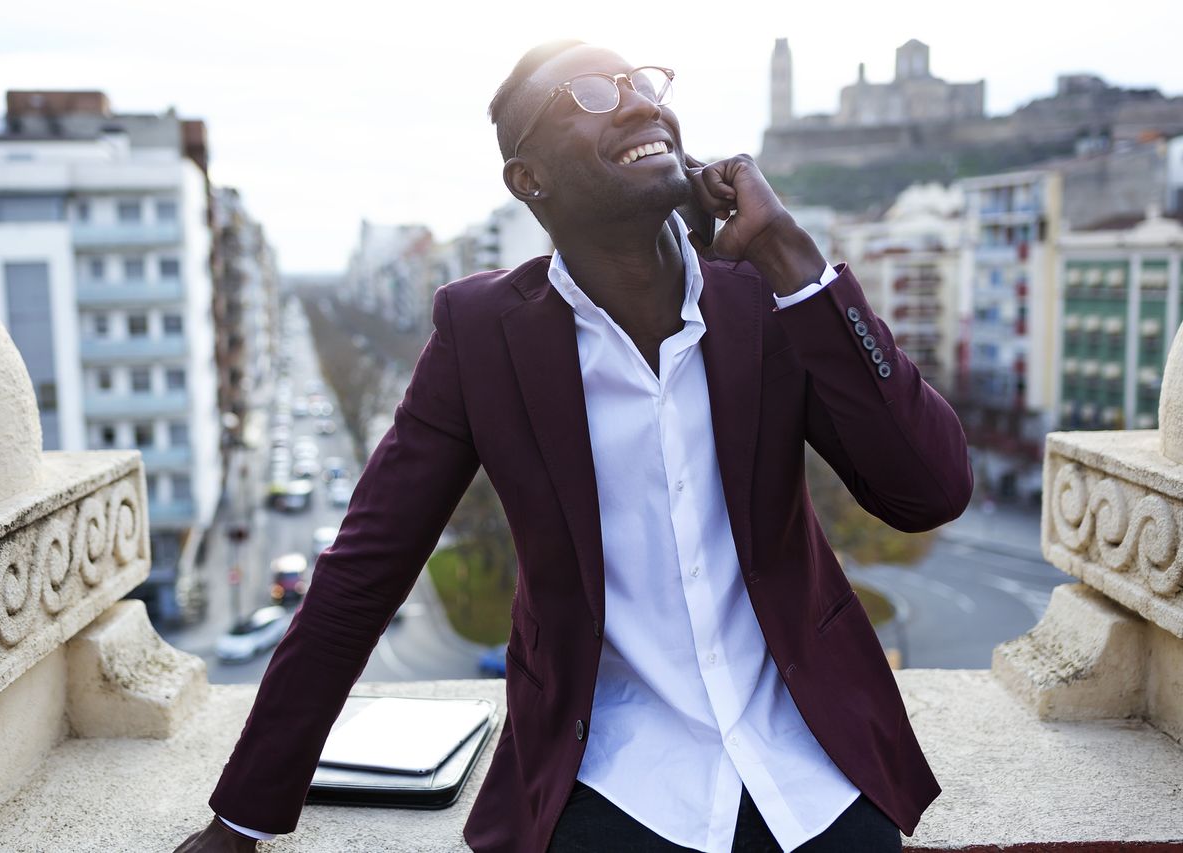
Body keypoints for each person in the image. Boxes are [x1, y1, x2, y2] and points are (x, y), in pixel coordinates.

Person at [176, 40, 973, 853]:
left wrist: (793, 259)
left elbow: (928, 490)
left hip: (813, 757)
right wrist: (240, 819)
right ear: (529, 181)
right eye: (588, 94)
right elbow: (362, 573)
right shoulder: (482, 335)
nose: (636, 103)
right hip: (607, 774)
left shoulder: (767, 299)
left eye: (641, 83)